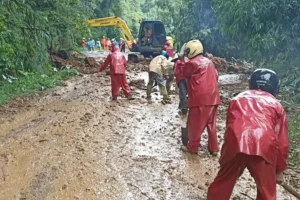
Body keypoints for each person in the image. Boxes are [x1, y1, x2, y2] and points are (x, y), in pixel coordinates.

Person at [207, 69, 289, 200]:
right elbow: (282, 142)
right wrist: (279, 170)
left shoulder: (237, 99)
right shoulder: (276, 105)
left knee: (223, 183)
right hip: (264, 148)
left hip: (236, 143)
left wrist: (225, 157)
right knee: (266, 192)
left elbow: (229, 128)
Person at [181, 39, 221, 155]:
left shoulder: (191, 63)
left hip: (199, 99)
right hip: (213, 98)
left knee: (194, 124)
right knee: (211, 125)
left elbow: (184, 74)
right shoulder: (209, 62)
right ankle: (214, 148)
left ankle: (192, 147)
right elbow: (216, 76)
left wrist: (182, 60)